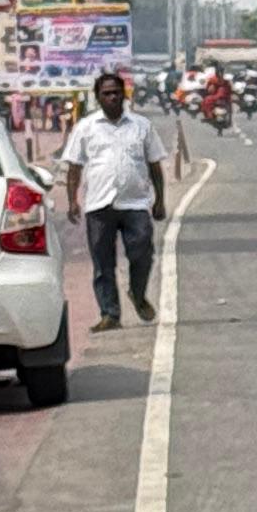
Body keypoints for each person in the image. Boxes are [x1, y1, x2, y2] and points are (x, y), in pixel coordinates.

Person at [61, 68, 168, 332]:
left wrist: (160, 200)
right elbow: (74, 167)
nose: (112, 97)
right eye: (106, 93)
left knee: (142, 251)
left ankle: (138, 292)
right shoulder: (86, 128)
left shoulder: (142, 126)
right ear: (98, 97)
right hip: (99, 205)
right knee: (102, 262)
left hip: (135, 204)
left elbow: (154, 164)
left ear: (124, 95)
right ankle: (110, 313)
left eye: (116, 93)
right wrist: (73, 200)